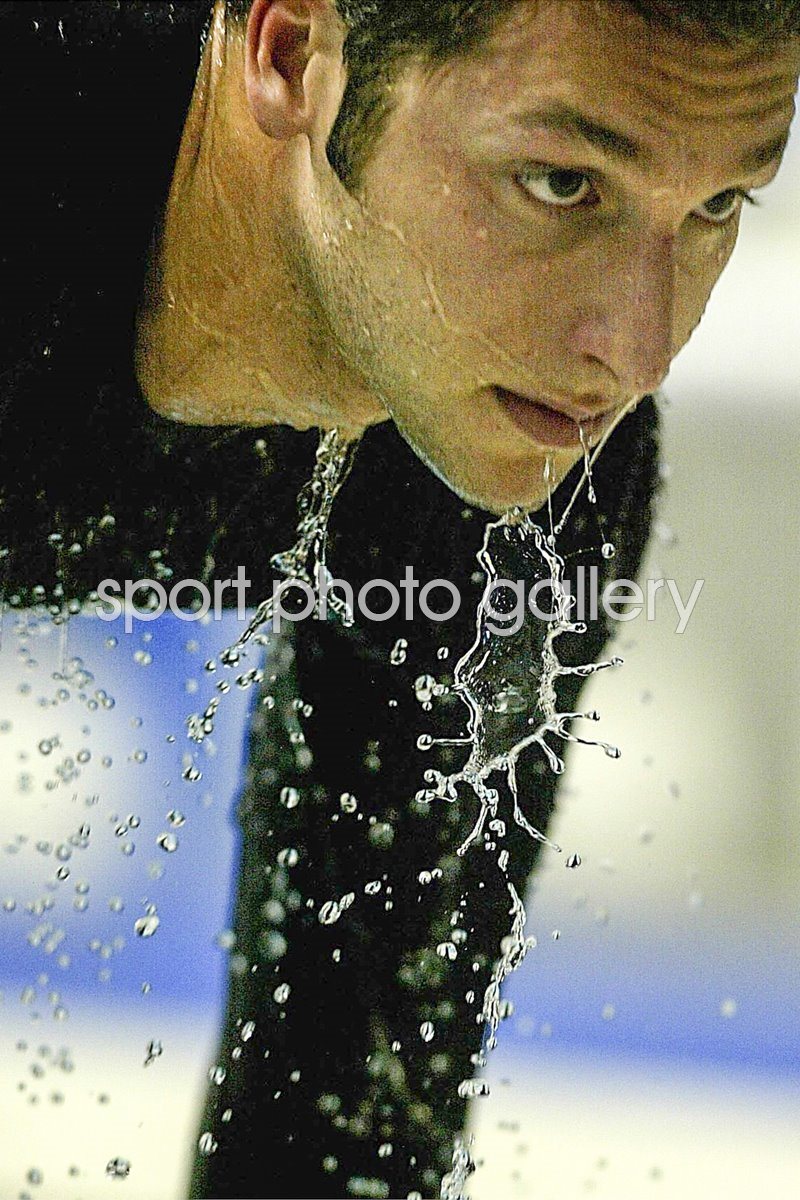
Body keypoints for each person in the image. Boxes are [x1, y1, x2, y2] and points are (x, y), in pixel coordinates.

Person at [1, 2, 798, 1197]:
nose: (636, 350)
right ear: (288, 54)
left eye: (716, 205)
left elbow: (339, 1144)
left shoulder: (527, 465)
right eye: (558, 185)